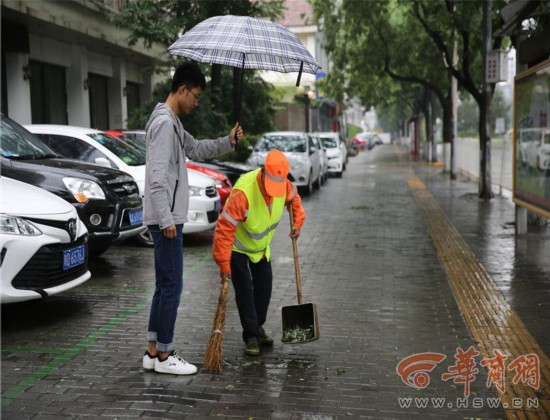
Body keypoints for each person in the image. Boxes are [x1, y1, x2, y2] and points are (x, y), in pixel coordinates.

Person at [142, 62, 244, 375]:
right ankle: (165, 354)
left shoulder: (172, 122)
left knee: (163, 287)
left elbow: (197, 149)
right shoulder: (163, 123)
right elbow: (157, 177)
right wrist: (167, 219)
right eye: (195, 96)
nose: (196, 102)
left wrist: (227, 141)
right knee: (173, 286)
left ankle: (151, 351)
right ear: (183, 89)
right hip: (166, 220)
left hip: (165, 218)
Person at [212, 150, 306, 356]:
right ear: (263, 173)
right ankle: (251, 336)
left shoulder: (284, 186)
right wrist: (223, 263)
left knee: (264, 290)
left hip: (261, 248)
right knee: (245, 291)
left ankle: (256, 326)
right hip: (237, 247)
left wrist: (298, 223)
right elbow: (224, 228)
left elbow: (295, 201)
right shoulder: (243, 192)